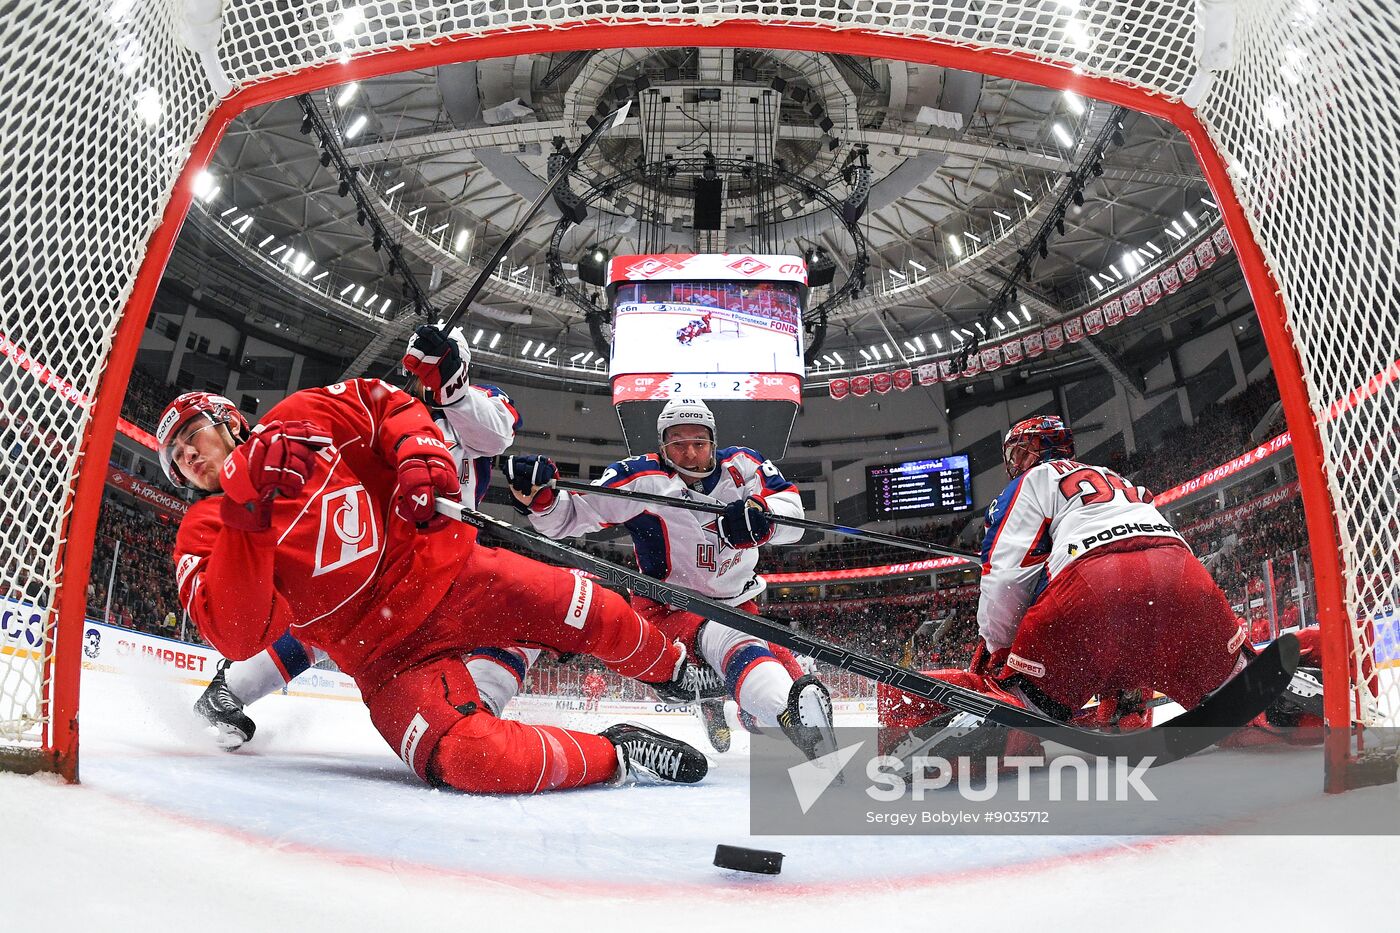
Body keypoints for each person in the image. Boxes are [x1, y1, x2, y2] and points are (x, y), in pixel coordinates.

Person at [162, 326, 714, 793]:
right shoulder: (204, 531)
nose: (187, 456)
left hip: (458, 577)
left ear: (229, 419)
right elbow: (237, 633)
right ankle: (618, 755)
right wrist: (245, 509)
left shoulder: (302, 415)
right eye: (177, 460)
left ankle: (676, 672)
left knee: (600, 614)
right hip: (390, 661)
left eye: (192, 435)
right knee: (476, 759)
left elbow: (387, 405)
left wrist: (421, 449)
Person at [877, 414, 1322, 762]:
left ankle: (993, 725)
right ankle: (1287, 704)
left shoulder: (1032, 481)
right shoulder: (1121, 480)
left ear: (1028, 452)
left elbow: (1006, 577)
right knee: (1234, 693)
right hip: (1186, 583)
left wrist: (1000, 651)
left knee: (1022, 702)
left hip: (1092, 592)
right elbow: (1164, 546)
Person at [192, 324, 534, 750]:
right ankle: (232, 687)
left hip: (444, 556)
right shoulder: (390, 402)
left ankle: (482, 704)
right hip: (380, 542)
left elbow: (497, 433)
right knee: (326, 609)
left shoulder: (480, 405)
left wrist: (452, 387)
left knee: (517, 611)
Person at [502, 397, 836, 760]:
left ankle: (734, 710)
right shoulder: (641, 478)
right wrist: (538, 499)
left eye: (699, 442)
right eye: (678, 443)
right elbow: (567, 518)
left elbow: (793, 514)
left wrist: (763, 516)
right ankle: (796, 727)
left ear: (713, 440)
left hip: (739, 602)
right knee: (739, 645)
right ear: (662, 446)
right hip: (670, 608)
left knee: (791, 678)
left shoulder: (745, 464)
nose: (690, 453)